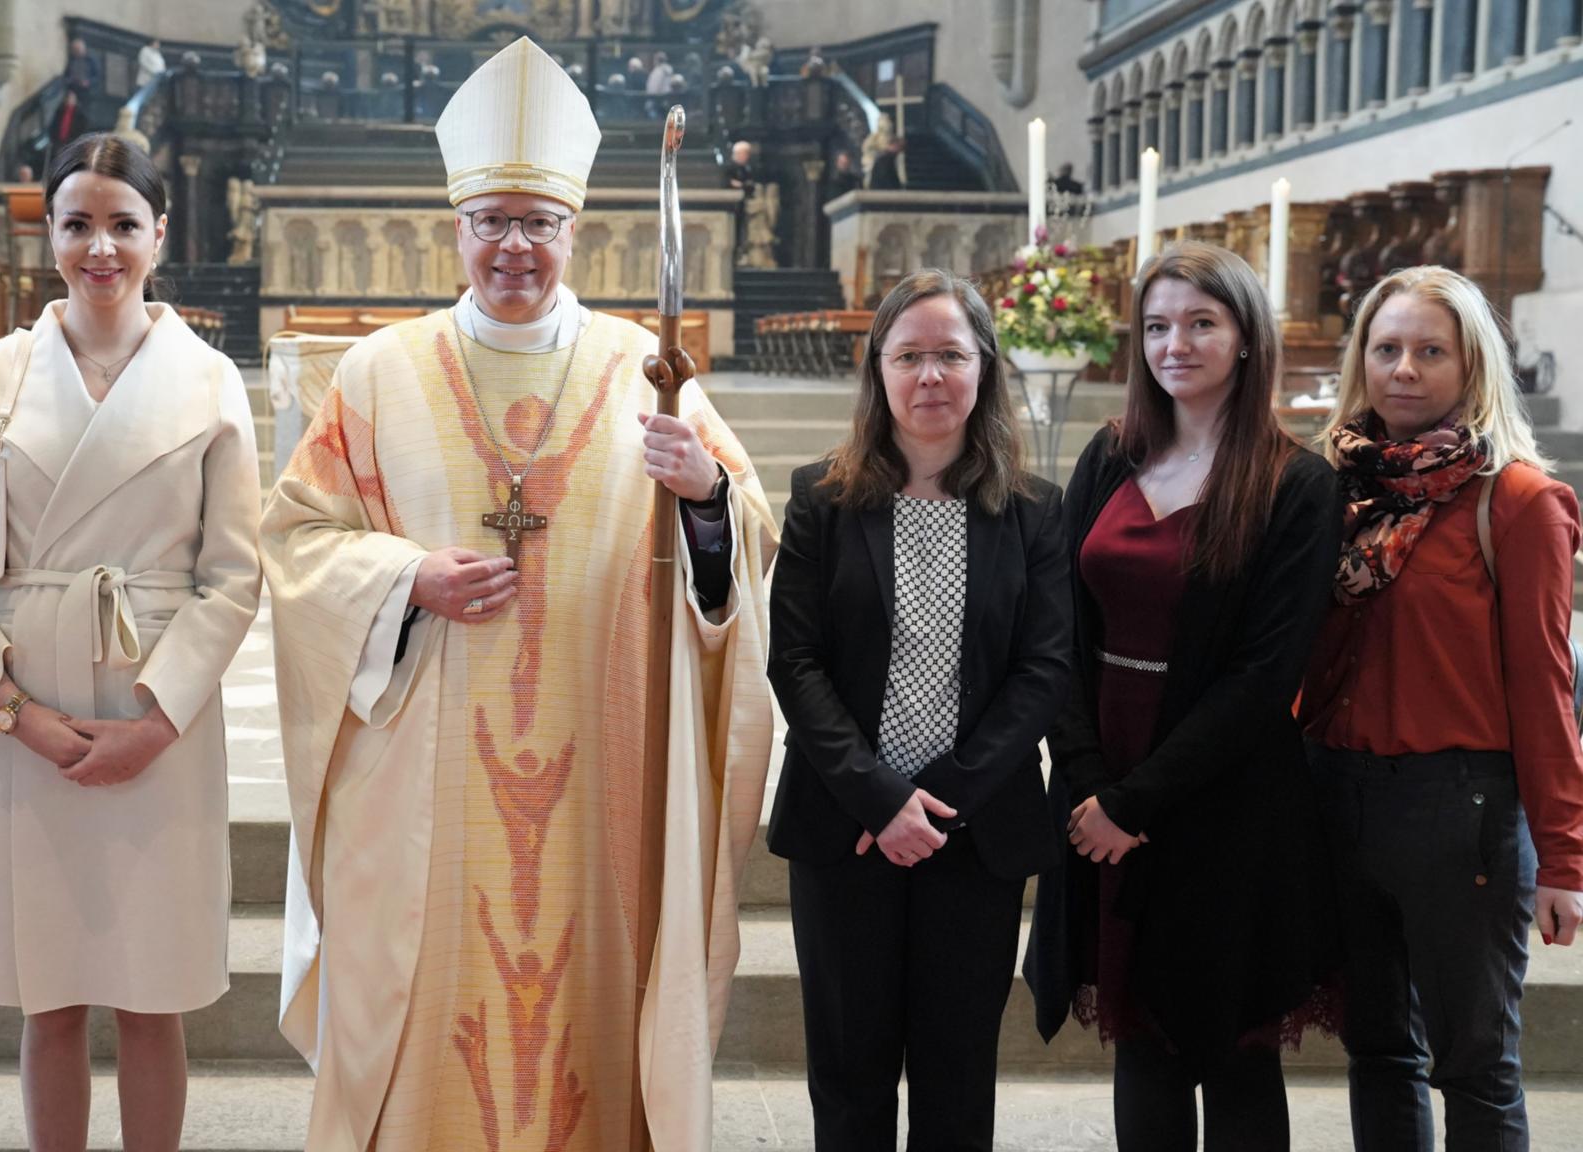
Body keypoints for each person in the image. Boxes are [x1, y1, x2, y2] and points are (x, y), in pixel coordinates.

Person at [261, 37, 777, 1151]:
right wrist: (405, 578)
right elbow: (297, 542)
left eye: (534, 223)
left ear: (572, 234)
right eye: (490, 219)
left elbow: (745, 540)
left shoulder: (648, 372)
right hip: (423, 790)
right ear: (455, 230)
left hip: (607, 778)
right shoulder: (376, 374)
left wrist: (700, 496)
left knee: (595, 1012)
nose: (512, 245)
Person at [0, 134, 262, 1151]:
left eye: (121, 225)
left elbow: (235, 574)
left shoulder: (207, 379)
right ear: (49, 234)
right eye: (76, 224)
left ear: (159, 235)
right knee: (48, 992)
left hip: (158, 706)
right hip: (26, 698)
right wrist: (11, 709)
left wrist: (156, 722)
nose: (98, 247)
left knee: (155, 992)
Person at [1023, 241, 1342, 1152]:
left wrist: (1132, 803)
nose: (1176, 344)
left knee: (1230, 1047)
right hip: (1101, 776)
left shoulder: (1295, 483)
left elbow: (1265, 675)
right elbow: (1058, 632)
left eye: (1202, 323)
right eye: (1158, 325)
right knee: (1140, 1041)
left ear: (1246, 339)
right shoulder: (1111, 456)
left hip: (1224, 793)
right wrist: (1087, 780)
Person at [769, 269, 1073, 1150]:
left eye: (951, 354)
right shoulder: (821, 499)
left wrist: (937, 803)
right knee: (849, 1073)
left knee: (956, 1074)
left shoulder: (1033, 511)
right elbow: (795, 659)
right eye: (910, 356)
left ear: (985, 368)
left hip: (973, 834)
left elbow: (1043, 670)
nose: (930, 376)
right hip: (845, 827)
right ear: (879, 371)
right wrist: (879, 799)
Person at [1302, 265, 1583, 1149]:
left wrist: (1566, 857)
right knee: (1378, 1050)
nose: (1404, 370)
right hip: (1337, 794)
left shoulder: (1521, 501)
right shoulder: (1333, 493)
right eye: (1386, 349)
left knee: (1475, 1065)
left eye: (1432, 351)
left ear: (1474, 367)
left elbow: (1547, 688)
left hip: (1457, 807)